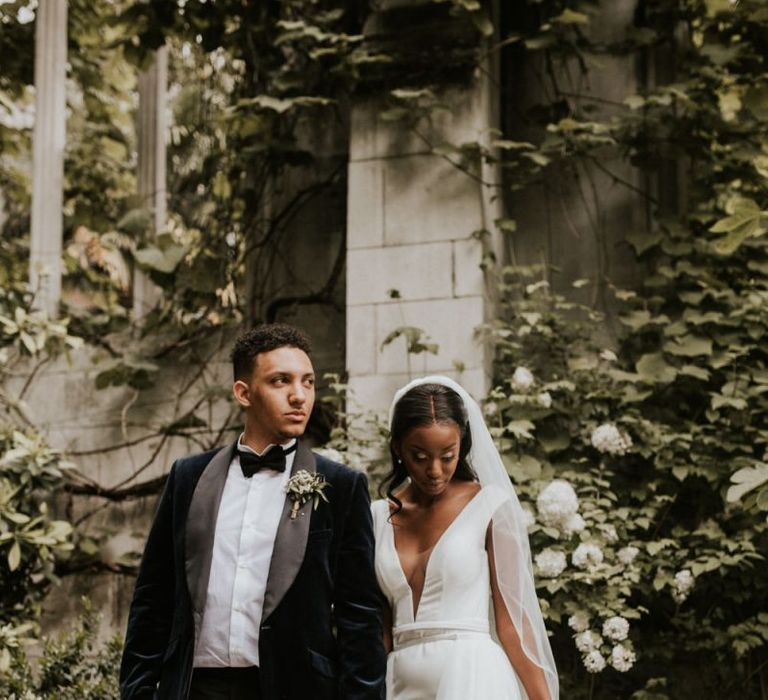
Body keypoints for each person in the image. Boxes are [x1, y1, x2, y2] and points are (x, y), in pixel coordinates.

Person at [120, 323, 387, 700]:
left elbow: (359, 616)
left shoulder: (341, 487)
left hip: (296, 688)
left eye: (308, 382)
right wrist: (138, 690)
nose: (299, 396)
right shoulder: (188, 478)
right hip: (196, 687)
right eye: (281, 381)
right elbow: (153, 595)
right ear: (244, 393)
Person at [372, 376, 558, 700]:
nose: (435, 470)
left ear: (463, 447)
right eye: (420, 455)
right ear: (398, 447)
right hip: (397, 680)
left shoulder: (489, 505)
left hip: (472, 675)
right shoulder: (377, 517)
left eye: (447, 455)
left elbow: (513, 623)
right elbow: (380, 629)